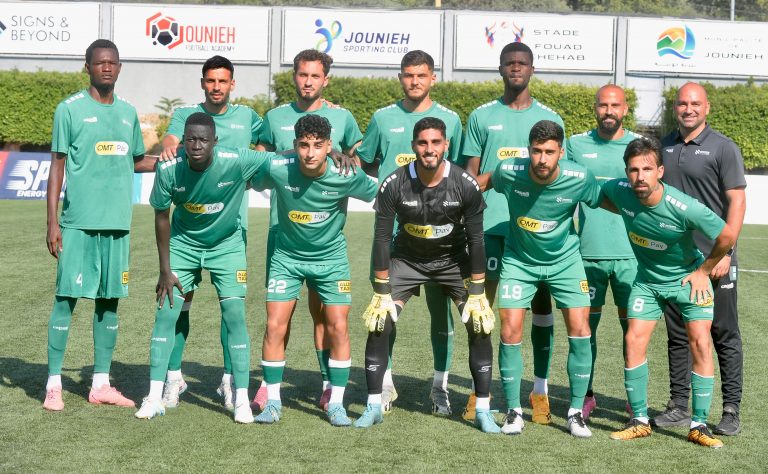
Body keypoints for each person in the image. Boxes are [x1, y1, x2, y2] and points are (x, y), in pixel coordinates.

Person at [354, 117, 498, 433]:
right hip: (408, 260)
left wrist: (477, 290)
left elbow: (476, 240)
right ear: (413, 146)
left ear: (446, 145)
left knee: (479, 324)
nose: (429, 149)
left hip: (453, 262)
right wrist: (381, 288)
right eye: (422, 142)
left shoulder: (465, 184)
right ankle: (373, 405)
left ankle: (483, 411)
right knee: (379, 322)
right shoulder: (394, 183)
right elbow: (381, 237)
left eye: (435, 142)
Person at [136, 112, 270, 423]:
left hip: (227, 246)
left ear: (215, 141)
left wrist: (329, 152)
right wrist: (165, 270)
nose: (196, 145)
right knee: (166, 313)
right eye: (191, 139)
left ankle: (240, 399)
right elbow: (161, 217)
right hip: (183, 245)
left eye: (203, 140)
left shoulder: (236, 160)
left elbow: (279, 159)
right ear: (183, 141)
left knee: (234, 315)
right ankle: (154, 397)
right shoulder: (169, 167)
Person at [43, 39, 155, 411]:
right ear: (87, 66)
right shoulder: (69, 109)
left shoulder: (127, 112)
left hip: (118, 226)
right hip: (78, 224)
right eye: (100, 62)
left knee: (109, 304)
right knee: (66, 299)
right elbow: (57, 166)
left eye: (112, 63)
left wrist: (171, 158)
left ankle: (101, 384)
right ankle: (54, 384)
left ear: (119, 68)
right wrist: (53, 223)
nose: (106, 68)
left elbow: (136, 160)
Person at [603, 137, 736, 448]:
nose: (640, 176)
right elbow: (594, 195)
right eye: (633, 170)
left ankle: (699, 425)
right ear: (627, 172)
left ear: (660, 171)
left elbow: (726, 236)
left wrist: (703, 271)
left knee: (700, 343)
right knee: (633, 339)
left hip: (688, 281)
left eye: (647, 169)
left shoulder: (684, 206)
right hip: (647, 283)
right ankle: (639, 420)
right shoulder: (620, 192)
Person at [252, 49, 363, 411]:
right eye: (302, 74)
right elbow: (260, 162)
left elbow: (356, 162)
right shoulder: (274, 117)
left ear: (325, 79)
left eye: (315, 75)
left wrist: (346, 157)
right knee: (278, 316)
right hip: (282, 231)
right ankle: (269, 387)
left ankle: (328, 384)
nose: (308, 82)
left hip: (324, 237)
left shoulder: (343, 118)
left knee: (324, 313)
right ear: (294, 76)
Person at [250, 114, 378, 426]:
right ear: (295, 145)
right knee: (274, 326)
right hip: (286, 258)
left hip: (331, 260)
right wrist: (281, 155)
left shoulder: (346, 173)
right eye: (304, 145)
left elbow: (380, 194)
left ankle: (336, 403)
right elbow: (253, 176)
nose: (310, 153)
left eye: (318, 145)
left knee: (338, 326)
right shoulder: (279, 167)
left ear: (329, 146)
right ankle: (273, 402)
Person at [476, 120, 601, 438]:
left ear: (561, 152)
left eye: (549, 152)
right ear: (528, 150)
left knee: (580, 328)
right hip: (519, 260)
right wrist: (446, 194)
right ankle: (514, 411)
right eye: (536, 151)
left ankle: (575, 413)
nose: (542, 159)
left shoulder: (579, 177)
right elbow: (483, 182)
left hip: (565, 261)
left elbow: (607, 200)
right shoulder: (509, 171)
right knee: (509, 328)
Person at [355, 50, 463, 416]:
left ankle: (440, 386)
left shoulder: (451, 120)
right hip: (393, 237)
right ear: (400, 77)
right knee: (384, 310)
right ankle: (385, 384)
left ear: (433, 78)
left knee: (441, 314)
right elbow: (365, 162)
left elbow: (459, 171)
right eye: (408, 74)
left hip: (440, 238)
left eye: (421, 75)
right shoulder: (382, 118)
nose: (414, 81)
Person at [461, 41, 562, 422]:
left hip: (535, 232)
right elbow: (470, 177)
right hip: (489, 227)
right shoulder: (481, 116)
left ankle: (540, 390)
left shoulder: (550, 118)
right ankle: (480, 389)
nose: (515, 68)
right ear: (500, 69)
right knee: (481, 309)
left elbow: (558, 179)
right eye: (509, 63)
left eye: (522, 63)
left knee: (541, 308)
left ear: (532, 69)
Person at [158, 55, 263, 411]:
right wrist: (169, 146)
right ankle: (174, 377)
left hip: (232, 230)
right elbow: (170, 139)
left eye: (223, 81)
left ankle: (229, 381)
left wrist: (251, 168)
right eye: (210, 80)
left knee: (230, 309)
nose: (216, 87)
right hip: (188, 234)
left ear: (232, 84)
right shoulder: (187, 115)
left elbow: (268, 142)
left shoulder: (248, 117)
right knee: (180, 304)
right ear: (202, 82)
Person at [653, 82, 747, 436]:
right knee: (679, 335)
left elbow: (737, 202)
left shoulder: (723, 148)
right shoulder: (663, 147)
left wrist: (726, 252)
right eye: (682, 103)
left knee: (723, 333)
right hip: (676, 262)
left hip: (715, 259)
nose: (688, 109)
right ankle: (679, 405)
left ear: (707, 108)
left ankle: (731, 410)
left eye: (695, 104)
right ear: (674, 108)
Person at [566, 84, 642, 419]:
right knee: (585, 330)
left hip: (632, 257)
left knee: (634, 331)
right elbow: (563, 191)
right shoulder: (576, 145)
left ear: (625, 109)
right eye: (603, 105)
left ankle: (634, 399)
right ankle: (585, 395)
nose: (608, 111)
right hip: (588, 255)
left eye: (615, 105)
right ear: (595, 108)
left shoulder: (639, 147)